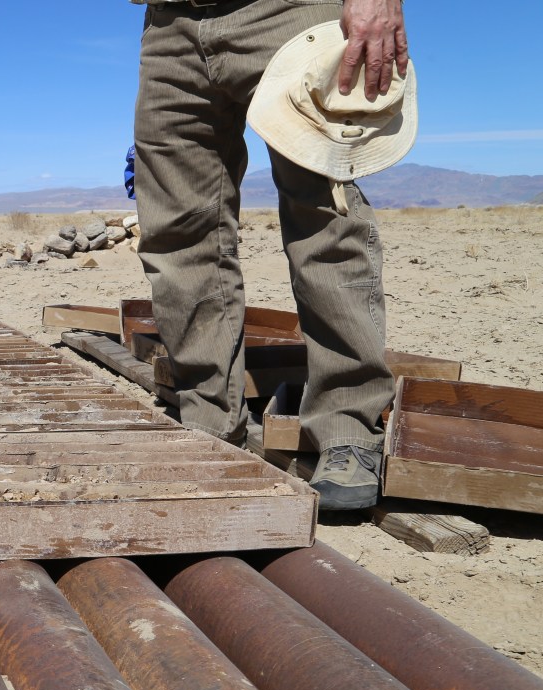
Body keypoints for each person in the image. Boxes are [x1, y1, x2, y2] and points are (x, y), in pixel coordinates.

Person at [130, 0, 412, 511]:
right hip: (169, 24)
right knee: (177, 228)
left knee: (324, 213)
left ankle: (347, 427)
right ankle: (208, 421)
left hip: (288, 8)